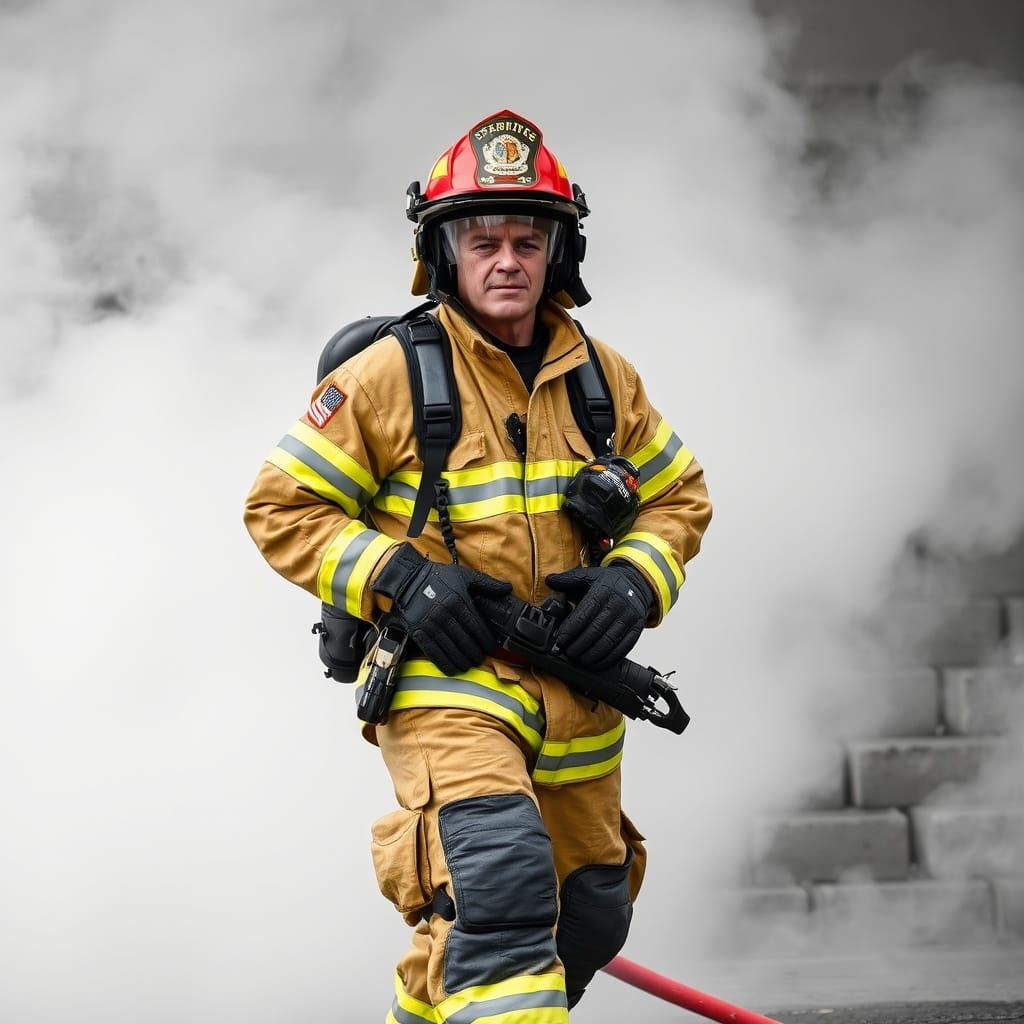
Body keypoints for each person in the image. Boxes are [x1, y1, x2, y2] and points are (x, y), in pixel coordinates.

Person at [244, 109, 712, 1024]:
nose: (506, 260)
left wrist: (632, 583)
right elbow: (278, 506)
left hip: (576, 689)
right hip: (446, 679)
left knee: (587, 918)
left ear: (558, 253)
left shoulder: (602, 377)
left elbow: (679, 495)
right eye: (483, 239)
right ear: (444, 253)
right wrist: (402, 578)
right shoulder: (389, 374)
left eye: (527, 240)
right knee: (499, 889)